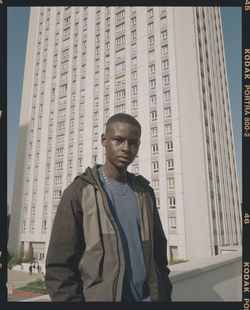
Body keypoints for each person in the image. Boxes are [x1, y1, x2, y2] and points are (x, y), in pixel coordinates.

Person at [45, 113, 172, 302]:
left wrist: (164, 295)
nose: (126, 149)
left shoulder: (145, 193)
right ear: (104, 140)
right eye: (119, 140)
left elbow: (159, 256)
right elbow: (59, 268)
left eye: (133, 143)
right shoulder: (79, 192)